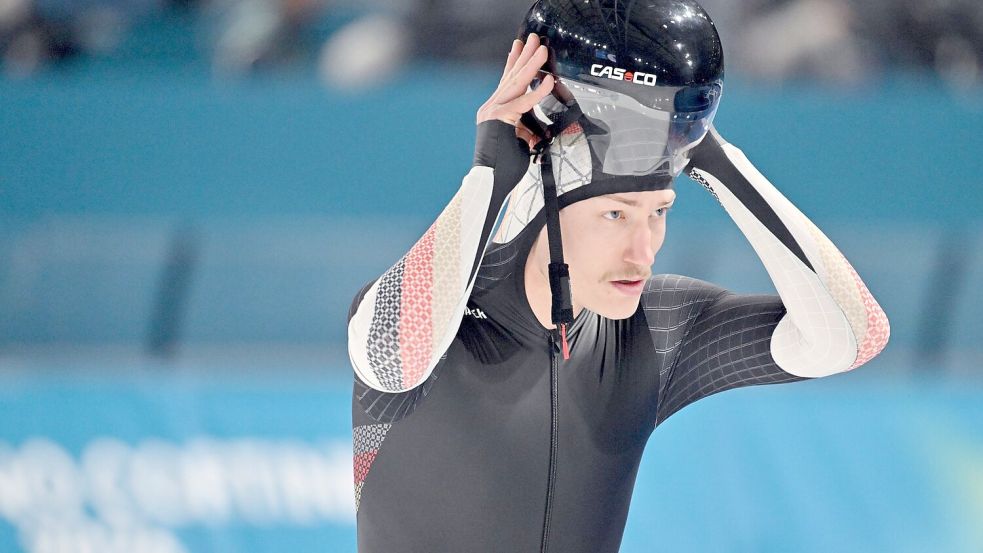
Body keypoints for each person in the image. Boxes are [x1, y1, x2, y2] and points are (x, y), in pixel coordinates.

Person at [347, 1, 890, 551]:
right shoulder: (434, 316)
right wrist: (492, 172)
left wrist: (710, 153)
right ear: (545, 201)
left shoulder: (658, 332)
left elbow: (850, 336)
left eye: (660, 212)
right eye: (616, 215)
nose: (644, 248)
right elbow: (392, 359)